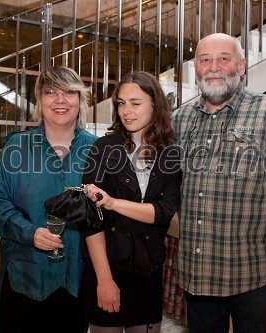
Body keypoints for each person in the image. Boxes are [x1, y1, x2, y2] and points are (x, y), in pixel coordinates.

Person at [171, 33, 266, 333]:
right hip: (197, 276)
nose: (213, 67)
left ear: (241, 67)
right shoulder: (180, 119)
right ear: (196, 69)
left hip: (252, 276)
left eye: (223, 59)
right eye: (205, 60)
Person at [0, 66, 97, 332]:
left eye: (69, 92)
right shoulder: (16, 147)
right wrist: (30, 232)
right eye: (50, 92)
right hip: (23, 278)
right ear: (40, 101)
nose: (60, 100)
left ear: (80, 100)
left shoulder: (98, 149)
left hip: (75, 280)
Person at [80, 71, 182, 333]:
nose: (126, 111)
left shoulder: (169, 153)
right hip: (107, 270)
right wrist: (104, 281)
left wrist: (113, 203)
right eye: (121, 103)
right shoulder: (102, 148)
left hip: (148, 273)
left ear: (155, 104)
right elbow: (91, 221)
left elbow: (163, 213)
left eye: (135, 103)